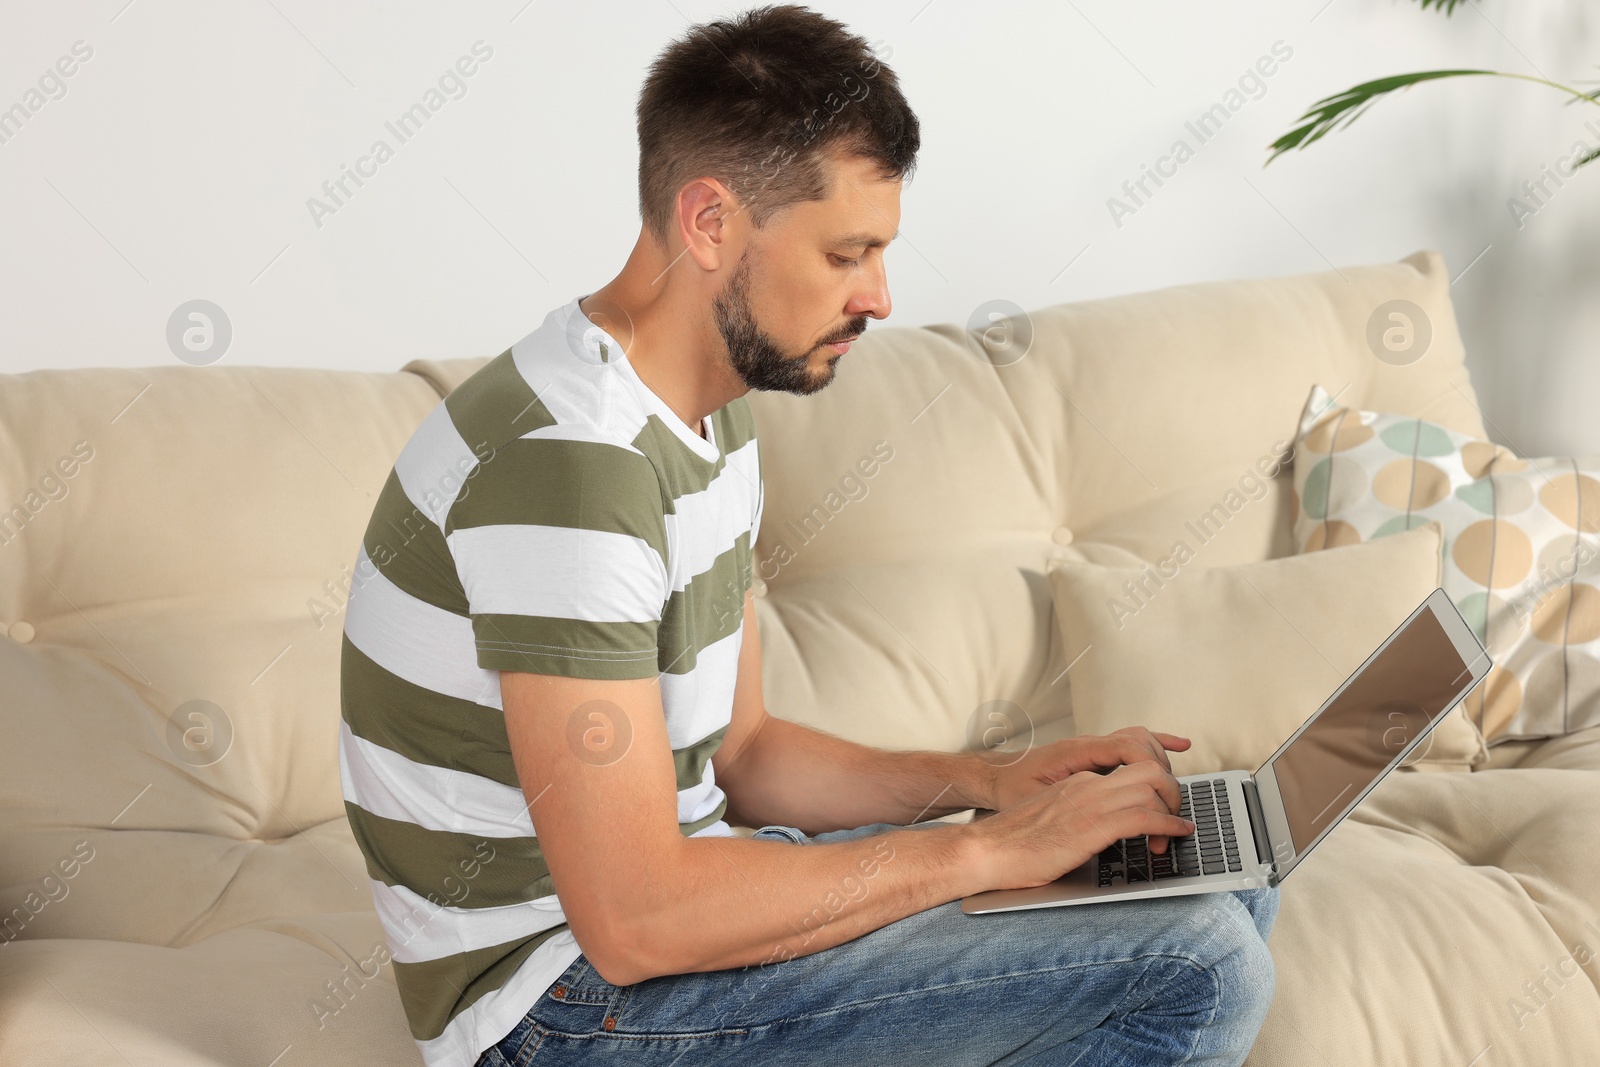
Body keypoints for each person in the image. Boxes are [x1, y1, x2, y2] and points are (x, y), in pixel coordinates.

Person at [338, 5, 1278, 1065]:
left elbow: (745, 754)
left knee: (1206, 870)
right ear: (709, 225)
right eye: (846, 253)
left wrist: (994, 783)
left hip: (676, 911)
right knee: (1198, 959)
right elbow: (636, 915)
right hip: (555, 1006)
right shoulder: (565, 467)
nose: (879, 295)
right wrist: (981, 853)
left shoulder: (705, 406)